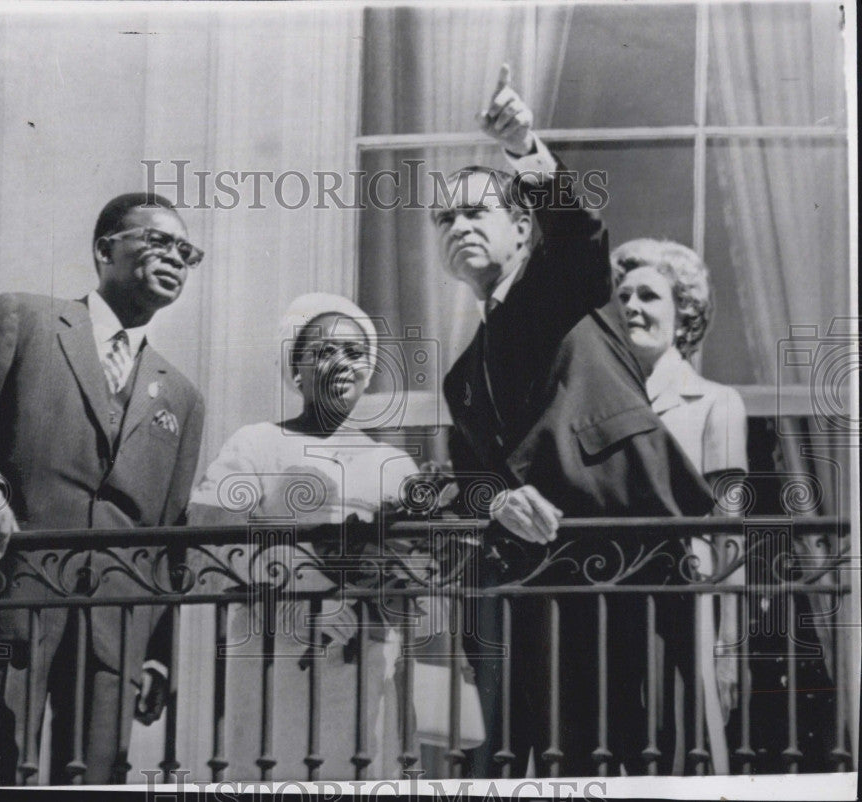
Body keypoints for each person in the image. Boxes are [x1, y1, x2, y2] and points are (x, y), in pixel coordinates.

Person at [432, 66, 714, 777]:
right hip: (542, 585)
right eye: (445, 219)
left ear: (522, 227)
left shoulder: (562, 288)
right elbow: (470, 481)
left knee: (643, 753)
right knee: (560, 759)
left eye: (475, 213)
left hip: (633, 557)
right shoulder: (462, 377)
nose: (458, 226)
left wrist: (525, 144)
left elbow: (582, 229)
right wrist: (497, 498)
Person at [0, 193, 205, 784]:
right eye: (157, 241)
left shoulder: (181, 394)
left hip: (115, 624)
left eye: (187, 250)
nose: (175, 256)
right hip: (13, 593)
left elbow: (172, 537)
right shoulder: (24, 319)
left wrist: (157, 653)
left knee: (95, 781)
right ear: (105, 249)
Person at [182, 293, 443, 780]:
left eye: (356, 352)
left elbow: (418, 567)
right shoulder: (257, 443)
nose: (343, 363)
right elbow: (208, 536)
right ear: (295, 369)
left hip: (365, 656)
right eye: (325, 352)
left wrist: (378, 591)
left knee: (360, 768)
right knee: (276, 767)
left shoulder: (394, 464)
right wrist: (303, 586)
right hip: (274, 652)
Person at [612, 238, 748, 773]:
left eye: (648, 295)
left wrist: (726, 646)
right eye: (622, 296)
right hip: (613, 602)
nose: (631, 307)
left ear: (684, 313)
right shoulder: (605, 406)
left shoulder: (716, 402)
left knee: (681, 755)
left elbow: (729, 534)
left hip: (688, 607)